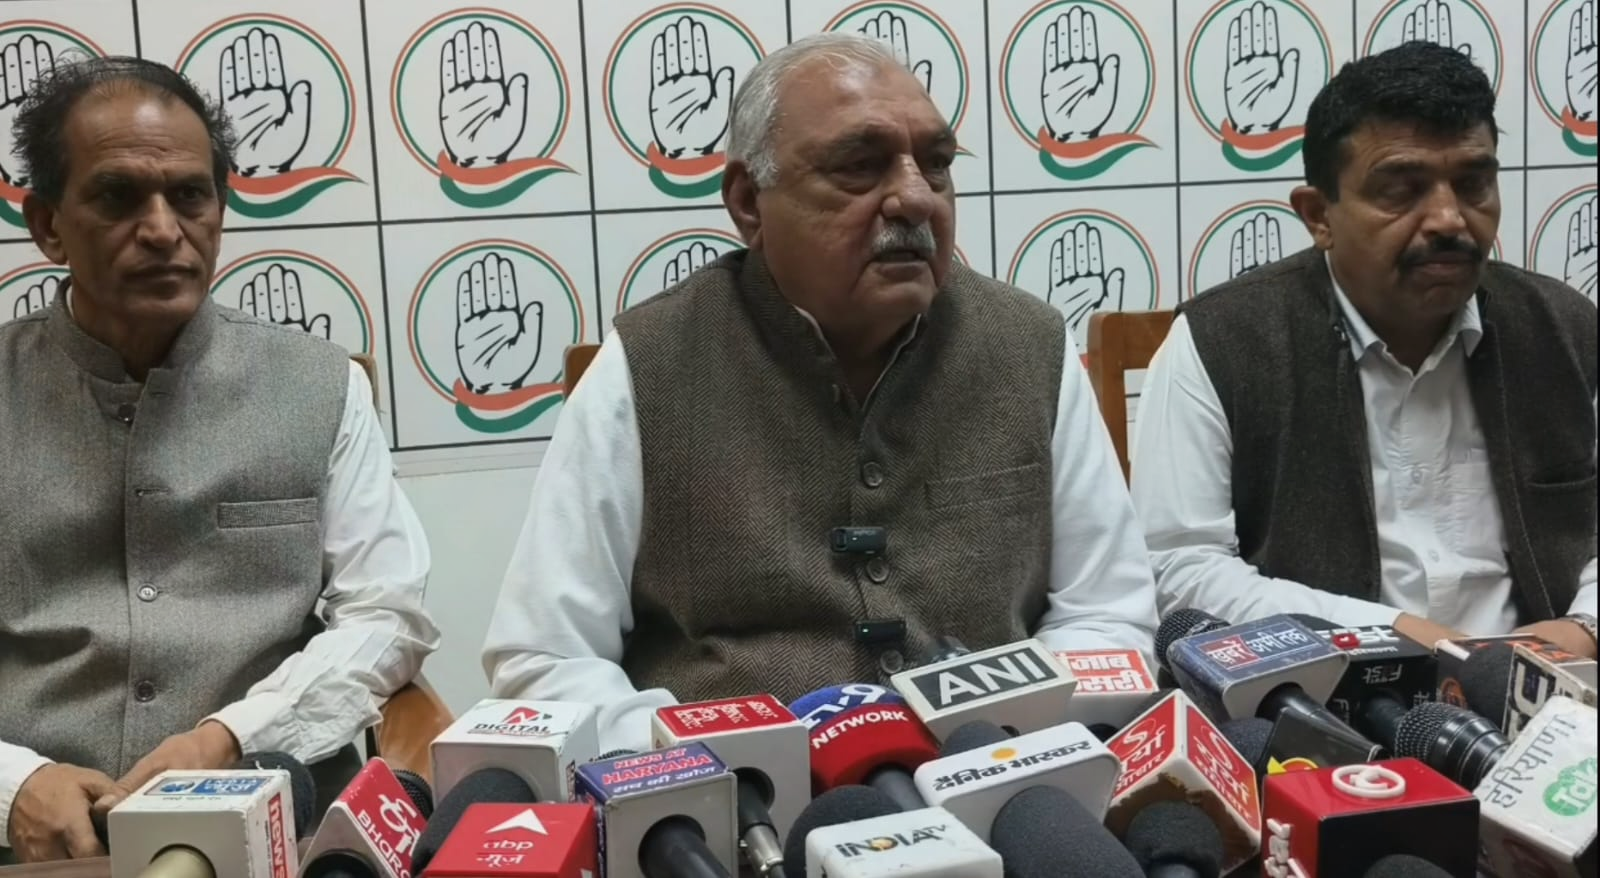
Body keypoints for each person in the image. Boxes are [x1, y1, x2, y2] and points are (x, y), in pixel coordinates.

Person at [483, 33, 1158, 753]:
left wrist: (1030, 738)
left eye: (936, 164)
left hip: (997, 779)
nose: (915, 197)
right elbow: (545, 657)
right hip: (742, 806)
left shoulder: (1029, 346)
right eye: (860, 167)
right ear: (749, 202)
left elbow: (1107, 612)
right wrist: (699, 762)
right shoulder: (649, 365)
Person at [0, 57, 438, 863]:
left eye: (190, 196)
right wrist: (14, 785)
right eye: (118, 197)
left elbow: (387, 615)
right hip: (34, 848)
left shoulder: (319, 386)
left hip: (278, 830)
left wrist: (230, 737)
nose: (163, 229)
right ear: (48, 224)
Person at [1131, 42, 1597, 656]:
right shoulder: (1223, 340)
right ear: (1318, 215)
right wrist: (1397, 634)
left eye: (1473, 184)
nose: (1449, 218)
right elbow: (1178, 569)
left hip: (1552, 680)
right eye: (1401, 190)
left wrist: (1583, 626)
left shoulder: (1564, 327)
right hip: (1326, 689)